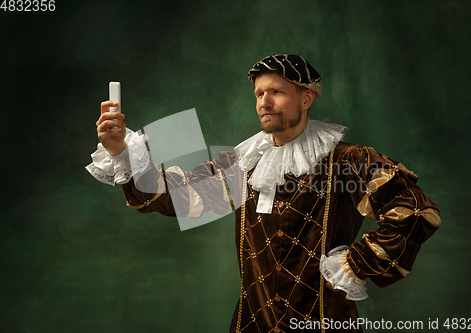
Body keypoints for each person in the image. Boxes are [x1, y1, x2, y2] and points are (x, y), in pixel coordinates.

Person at [87, 54, 440, 333]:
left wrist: (357, 263)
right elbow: (177, 198)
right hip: (252, 324)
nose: (264, 101)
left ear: (306, 98)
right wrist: (122, 153)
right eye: (259, 93)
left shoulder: (350, 160)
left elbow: (415, 211)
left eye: (276, 92)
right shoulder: (243, 164)